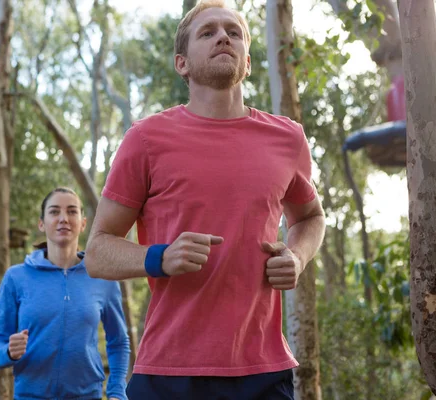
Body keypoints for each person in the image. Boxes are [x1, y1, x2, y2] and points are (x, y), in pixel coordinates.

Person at [84, 0, 326, 399]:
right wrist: (158, 257)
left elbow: (311, 217)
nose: (223, 37)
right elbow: (96, 251)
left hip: (263, 373)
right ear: (182, 63)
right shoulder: (145, 140)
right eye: (208, 31)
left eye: (234, 32)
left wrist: (297, 257)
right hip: (168, 372)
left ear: (247, 63)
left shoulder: (288, 138)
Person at [0, 187, 130, 400]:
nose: (63, 218)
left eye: (72, 211)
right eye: (54, 212)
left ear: (83, 223)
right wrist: (8, 351)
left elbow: (118, 341)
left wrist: (117, 392)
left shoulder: (102, 277)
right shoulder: (17, 278)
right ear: (41, 223)